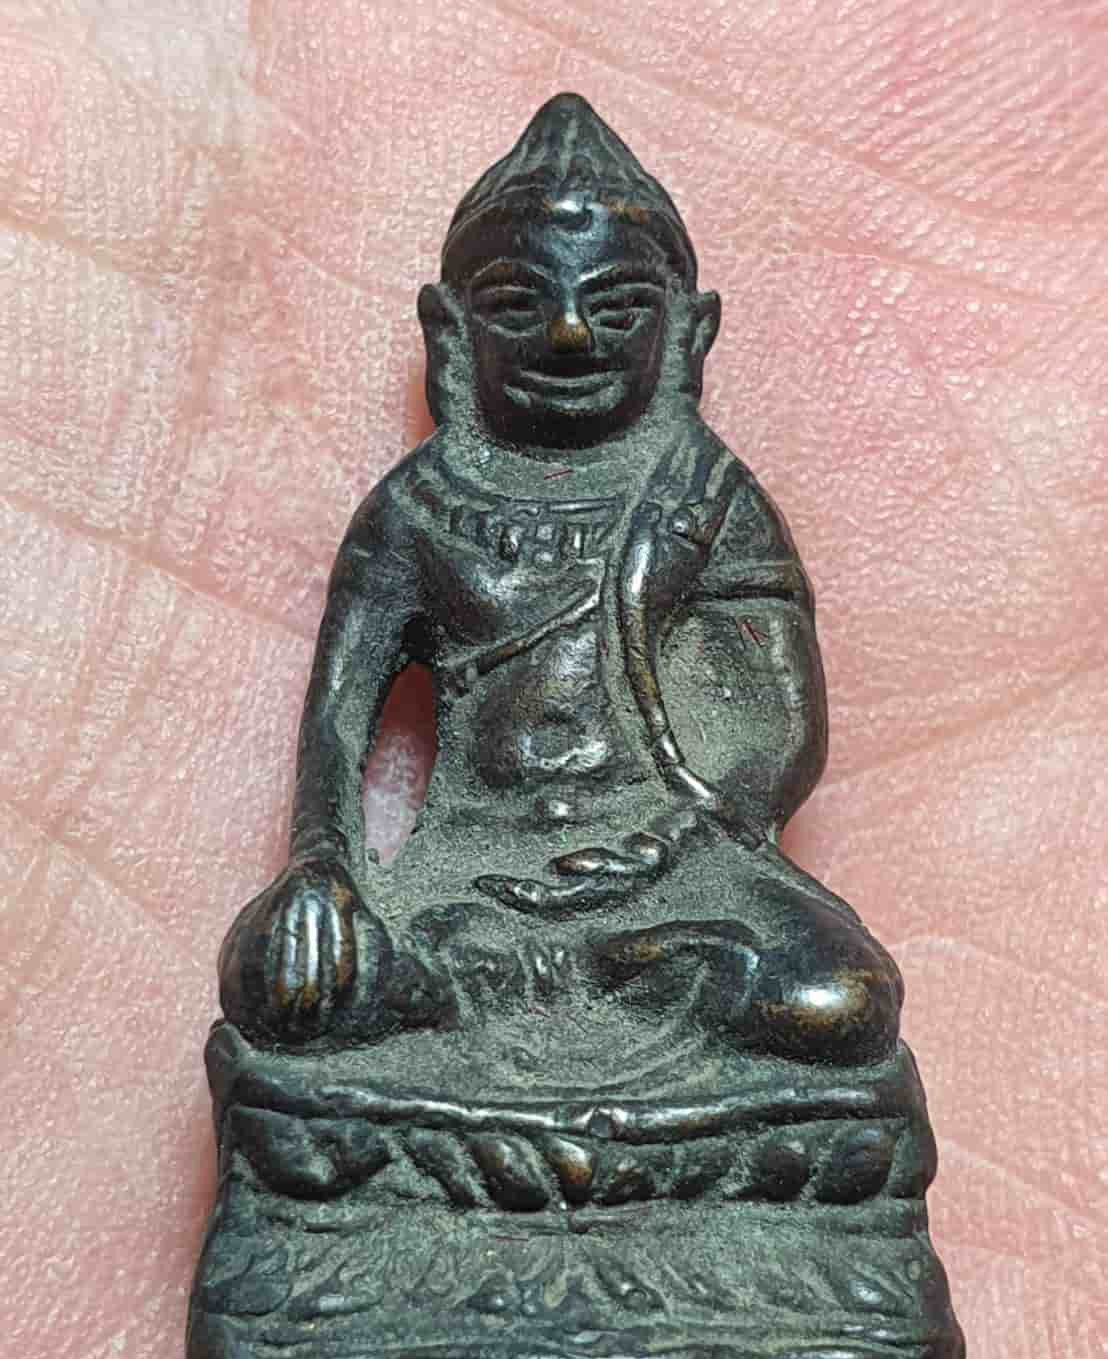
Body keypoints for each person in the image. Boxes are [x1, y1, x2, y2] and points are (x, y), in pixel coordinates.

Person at [218, 96, 903, 1084]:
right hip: (472, 877)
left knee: (841, 997)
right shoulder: (415, 511)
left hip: (681, 871)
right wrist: (321, 866)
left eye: (618, 308)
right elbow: (337, 720)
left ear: (689, 333)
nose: (572, 334)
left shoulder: (705, 499)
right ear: (449, 332)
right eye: (518, 306)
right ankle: (532, 981)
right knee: (279, 986)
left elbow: (779, 724)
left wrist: (679, 837)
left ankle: (565, 979)